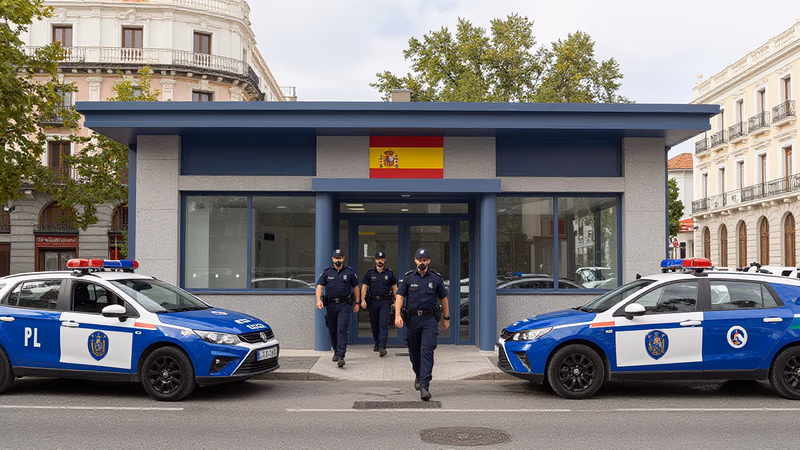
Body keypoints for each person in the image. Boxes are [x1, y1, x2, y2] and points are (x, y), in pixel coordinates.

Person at [395, 247, 450, 401]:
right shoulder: (408, 278)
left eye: (424, 260)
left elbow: (443, 299)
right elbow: (399, 296)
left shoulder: (436, 279)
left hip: (429, 320)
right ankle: (419, 375)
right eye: (419, 260)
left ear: (429, 261)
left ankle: (425, 385)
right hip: (412, 320)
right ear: (415, 261)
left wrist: (447, 318)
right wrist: (397, 315)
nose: (422, 262)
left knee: (427, 351)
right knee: (414, 352)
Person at [316, 249, 360, 368]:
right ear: (332, 259)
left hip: (344, 305)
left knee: (342, 329)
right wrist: (318, 299)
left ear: (343, 259)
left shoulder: (349, 272)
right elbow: (319, 287)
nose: (338, 260)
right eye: (336, 258)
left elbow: (356, 288)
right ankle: (336, 351)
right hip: (330, 305)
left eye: (340, 258)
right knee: (332, 330)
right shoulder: (327, 273)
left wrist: (357, 303)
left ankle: (341, 355)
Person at [360, 251, 397, 357]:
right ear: (375, 260)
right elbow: (364, 287)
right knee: (374, 324)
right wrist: (363, 300)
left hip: (385, 301)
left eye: (382, 259)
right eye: (378, 259)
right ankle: (377, 342)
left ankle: (382, 347)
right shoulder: (369, 273)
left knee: (383, 324)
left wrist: (396, 301)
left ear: (384, 260)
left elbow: (395, 288)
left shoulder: (389, 273)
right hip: (372, 302)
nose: (380, 261)